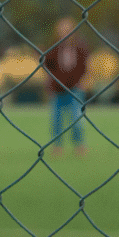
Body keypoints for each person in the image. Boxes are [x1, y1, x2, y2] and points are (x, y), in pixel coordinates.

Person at [42, 17, 89, 155]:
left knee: (76, 118)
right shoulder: (54, 47)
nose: (65, 32)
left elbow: (86, 66)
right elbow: (47, 67)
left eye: (68, 29)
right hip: (57, 88)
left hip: (75, 88)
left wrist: (85, 81)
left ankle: (79, 145)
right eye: (62, 30)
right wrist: (48, 85)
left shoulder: (80, 47)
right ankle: (57, 146)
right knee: (56, 119)